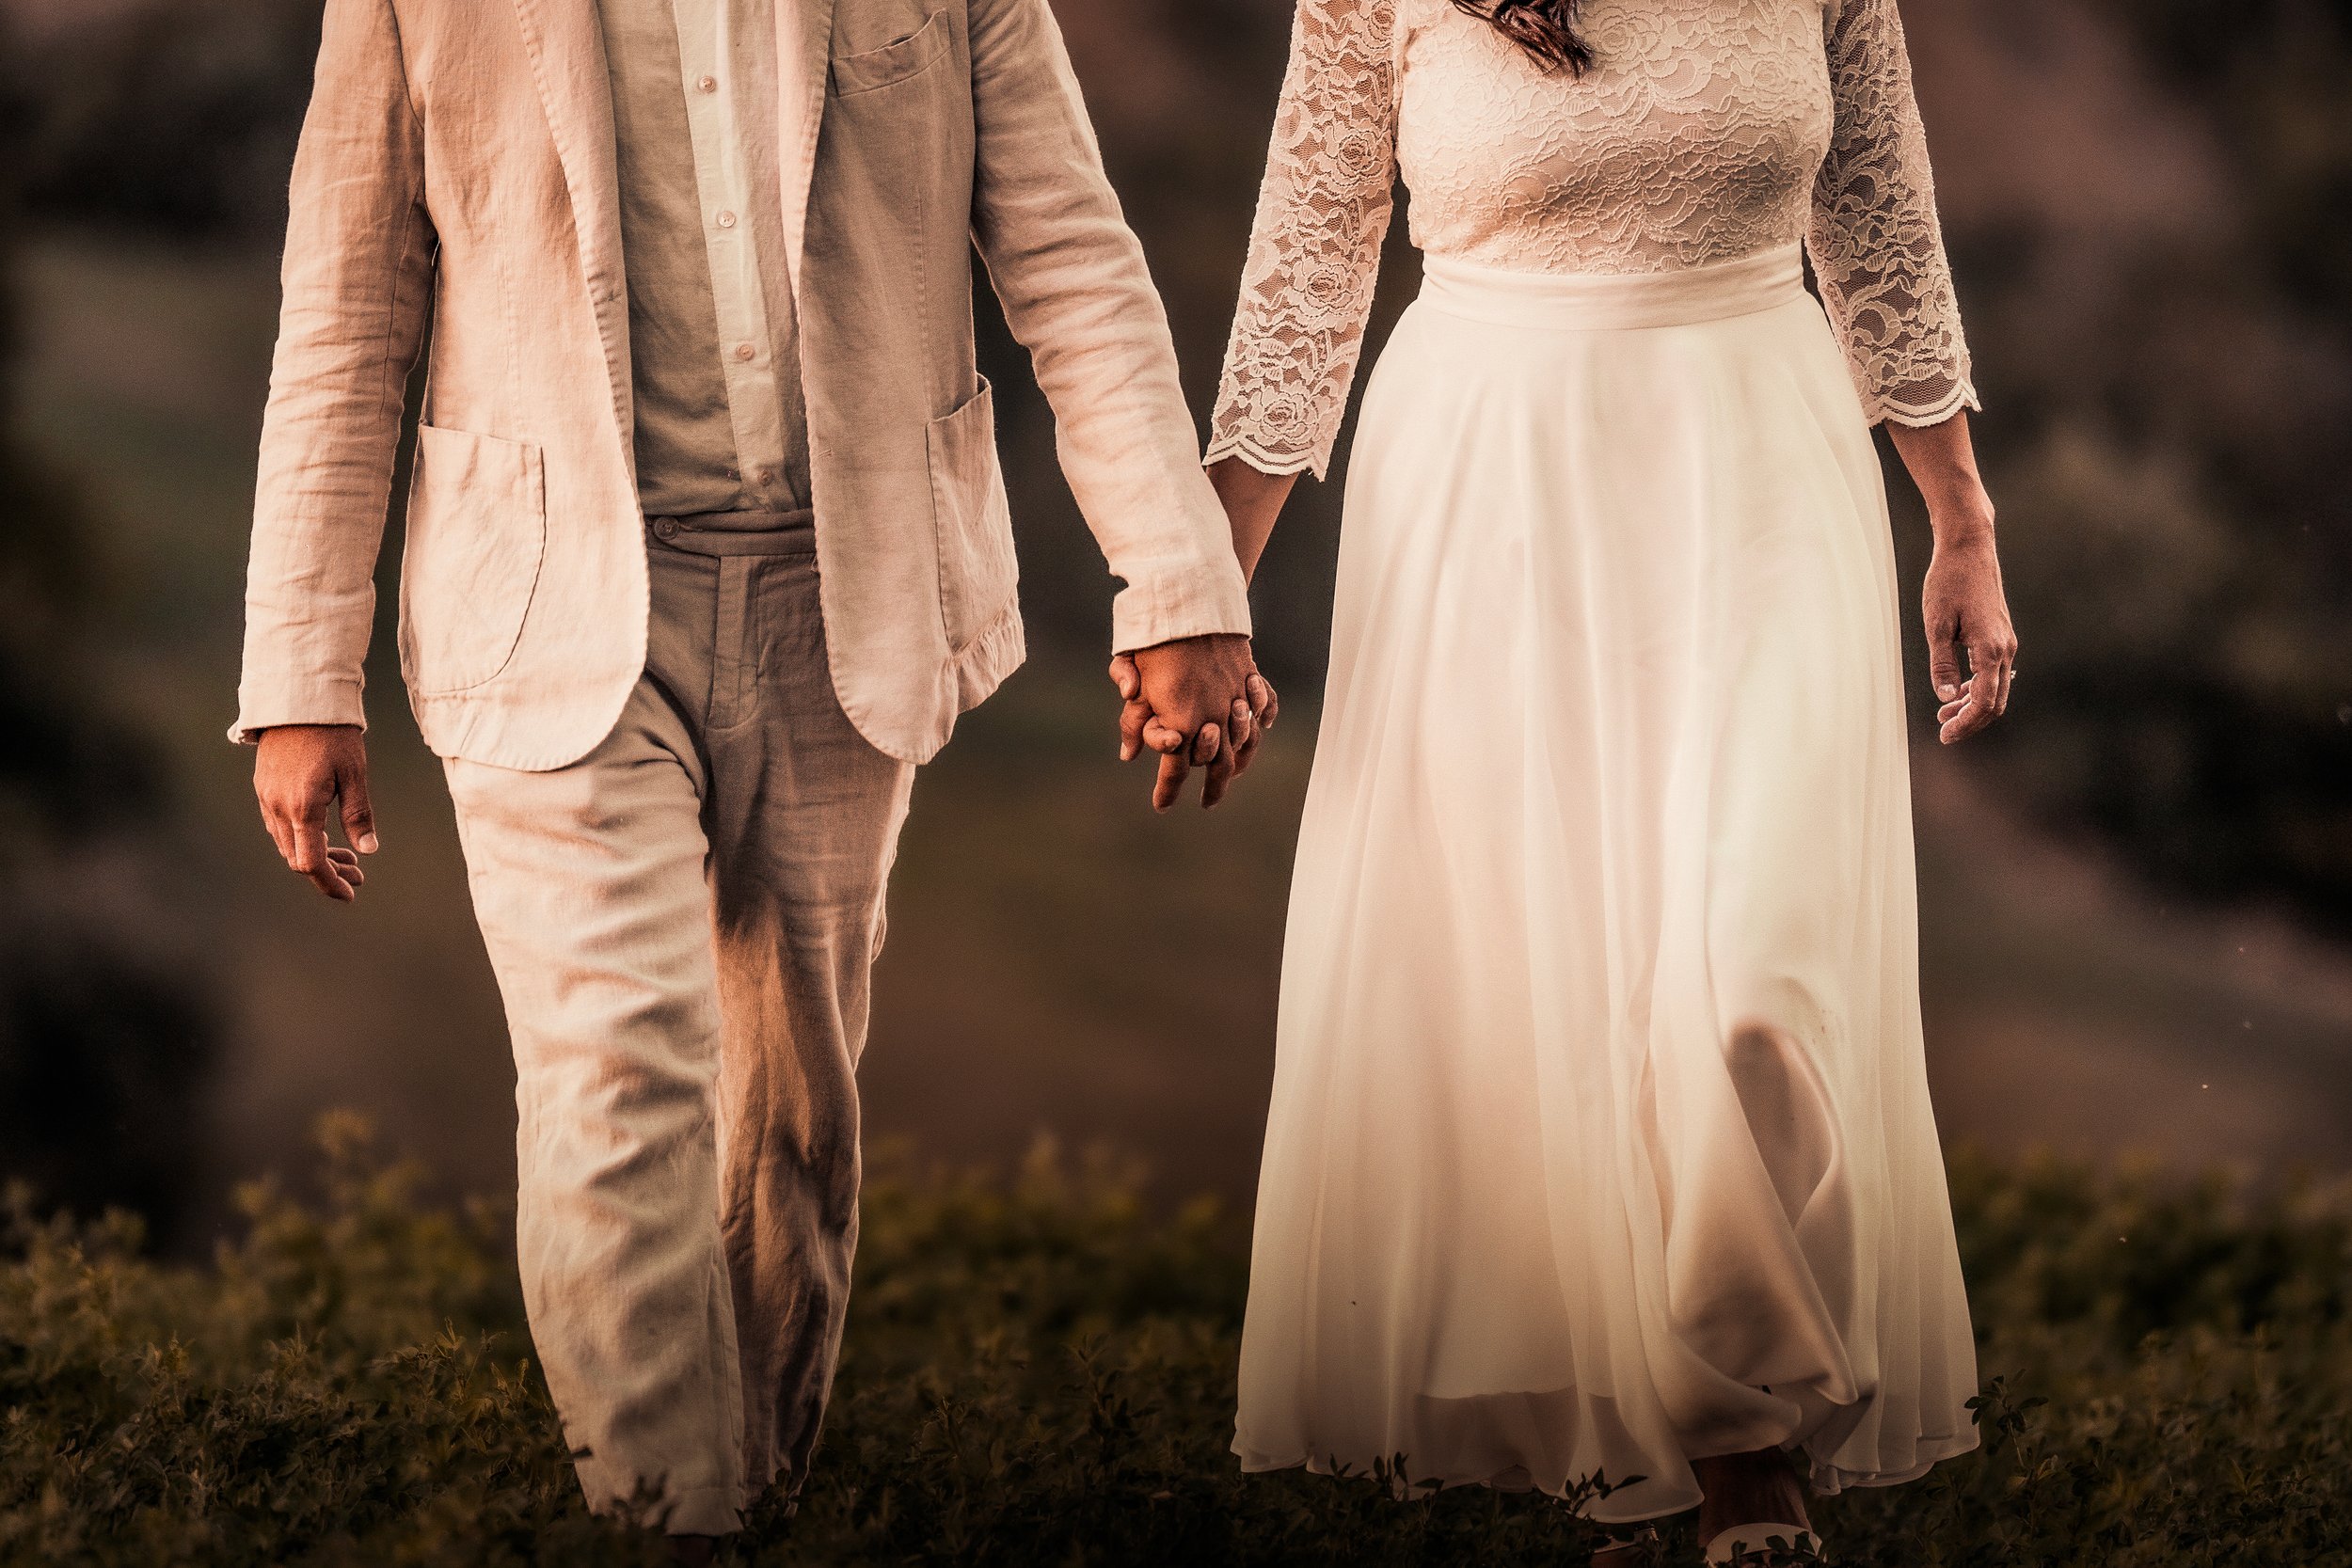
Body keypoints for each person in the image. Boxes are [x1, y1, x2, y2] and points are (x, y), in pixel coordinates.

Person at [233, 0, 1274, 1554]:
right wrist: (302, 675)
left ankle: (756, 1510)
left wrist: (1179, 583)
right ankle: (670, 1528)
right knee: (618, 1081)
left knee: (793, 1129)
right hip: (547, 590)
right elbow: (345, 303)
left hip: (842, 583)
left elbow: (1067, 245)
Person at [1136, 0, 2017, 1560]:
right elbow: (1305, 278)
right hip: (1494, 493)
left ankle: (1739, 1416)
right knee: (1557, 977)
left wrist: (1962, 520)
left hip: (1766, 479)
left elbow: (1882, 218)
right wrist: (1199, 600)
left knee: (1757, 974)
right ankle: (1709, 1463)